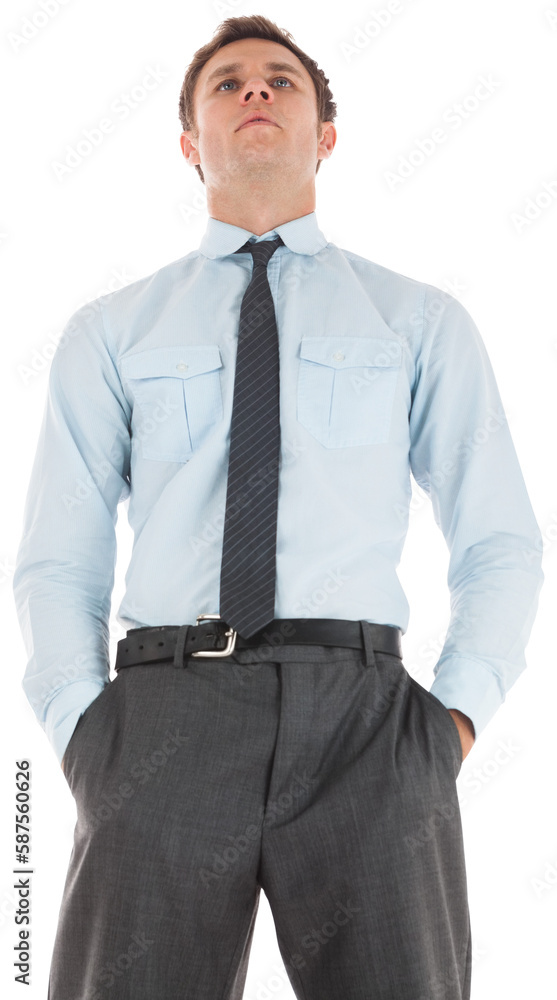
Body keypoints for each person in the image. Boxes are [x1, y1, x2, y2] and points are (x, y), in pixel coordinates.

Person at [13, 13, 543, 1000]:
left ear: (324, 136)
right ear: (189, 144)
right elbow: (59, 556)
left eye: (279, 79)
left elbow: (499, 538)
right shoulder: (110, 331)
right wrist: (82, 731)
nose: (253, 89)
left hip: (365, 725)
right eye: (225, 83)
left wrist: (449, 725)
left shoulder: (419, 321)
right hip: (161, 719)